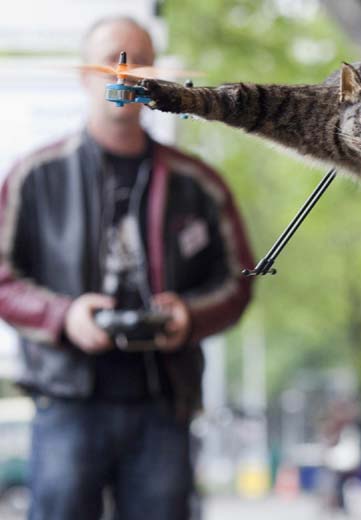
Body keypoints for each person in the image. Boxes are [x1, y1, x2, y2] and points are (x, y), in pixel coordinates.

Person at [0, 17, 254, 520]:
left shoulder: (199, 184)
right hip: (66, 400)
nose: (126, 72)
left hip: (164, 403)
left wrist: (189, 316)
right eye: (113, 57)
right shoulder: (35, 177)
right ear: (83, 74)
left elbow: (239, 282)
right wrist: (64, 316)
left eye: (139, 60)